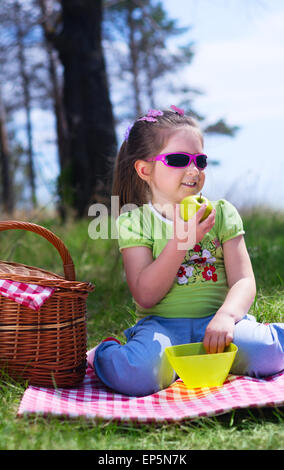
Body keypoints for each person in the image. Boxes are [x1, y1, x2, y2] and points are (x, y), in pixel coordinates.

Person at [87, 106, 284, 396]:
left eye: (200, 161)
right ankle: (102, 353)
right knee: (137, 374)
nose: (193, 170)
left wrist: (228, 317)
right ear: (145, 170)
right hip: (163, 329)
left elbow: (244, 280)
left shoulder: (221, 213)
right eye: (178, 159)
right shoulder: (135, 221)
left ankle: (243, 345)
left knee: (269, 353)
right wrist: (181, 241)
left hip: (219, 325)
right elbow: (146, 295)